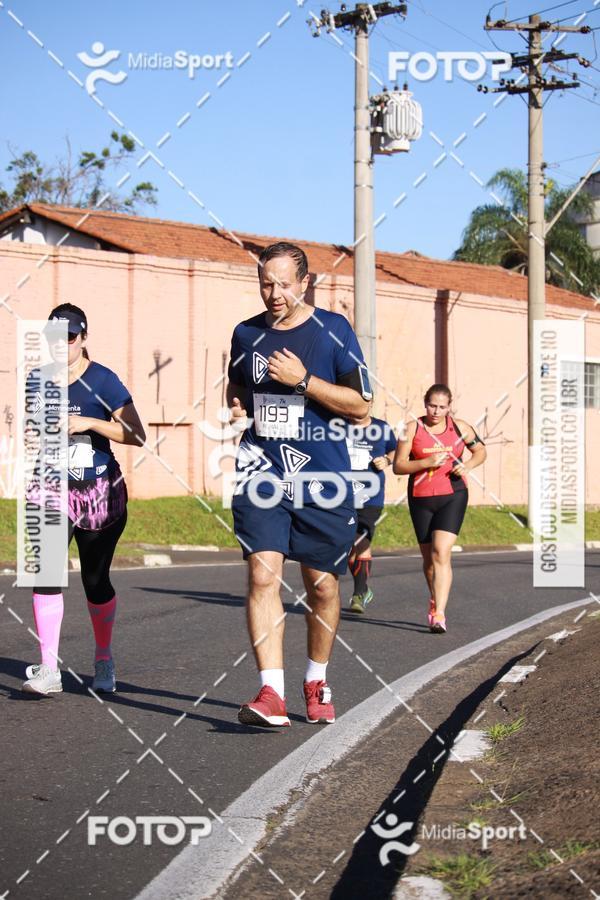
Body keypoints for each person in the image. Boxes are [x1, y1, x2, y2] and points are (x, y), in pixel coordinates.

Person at [227, 242, 371, 727]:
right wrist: (237, 407)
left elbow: (360, 406)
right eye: (266, 282)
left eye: (283, 283)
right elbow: (238, 385)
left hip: (322, 479)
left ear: (305, 283)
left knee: (323, 586)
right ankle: (271, 693)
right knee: (263, 575)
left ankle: (316, 678)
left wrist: (304, 380)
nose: (274, 293)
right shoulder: (245, 333)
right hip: (261, 472)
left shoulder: (334, 331)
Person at [22, 303, 145, 695]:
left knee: (95, 580)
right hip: (51, 488)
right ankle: (48, 669)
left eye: (69, 338)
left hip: (97, 492)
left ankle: (104, 658)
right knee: (45, 573)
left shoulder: (103, 381)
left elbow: (136, 434)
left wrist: (90, 423)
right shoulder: (37, 379)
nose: (61, 346)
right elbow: (34, 427)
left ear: (84, 338)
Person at [393, 384, 486, 633]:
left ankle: (439, 614)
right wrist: (425, 462)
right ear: (425, 404)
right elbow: (398, 466)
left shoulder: (460, 428)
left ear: (449, 407)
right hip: (421, 497)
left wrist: (467, 466)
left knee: (441, 551)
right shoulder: (411, 428)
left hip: (453, 494)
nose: (436, 411)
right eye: (432, 405)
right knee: (429, 561)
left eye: (442, 407)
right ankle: (435, 597)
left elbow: (480, 451)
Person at [346, 410, 397, 613]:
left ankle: (358, 595)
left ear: (369, 403)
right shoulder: (338, 426)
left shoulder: (381, 428)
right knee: (347, 548)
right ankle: (364, 588)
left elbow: (396, 450)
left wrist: (387, 460)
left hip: (370, 496)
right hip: (341, 494)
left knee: (361, 540)